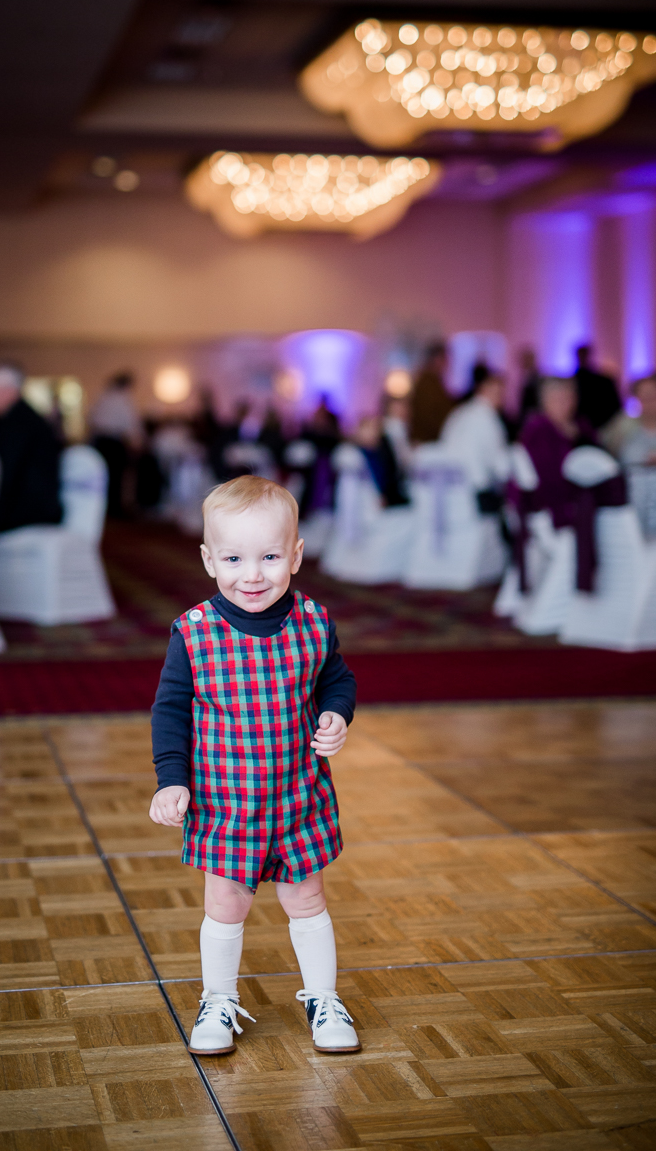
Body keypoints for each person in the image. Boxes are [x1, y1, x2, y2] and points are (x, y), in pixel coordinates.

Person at [148, 476, 359, 1058]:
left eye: (270, 557)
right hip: (226, 803)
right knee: (225, 904)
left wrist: (336, 714)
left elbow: (337, 678)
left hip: (298, 798)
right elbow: (170, 711)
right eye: (235, 558)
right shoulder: (194, 633)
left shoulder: (314, 622)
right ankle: (217, 999)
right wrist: (172, 780)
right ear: (209, 559)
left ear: (295, 554)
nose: (254, 574)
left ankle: (323, 996)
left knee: (307, 899)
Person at [0, 363, 62, 532]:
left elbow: (3, 477)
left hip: (28, 516)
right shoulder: (21, 419)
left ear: (8, 390)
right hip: (32, 510)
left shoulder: (19, 425)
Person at [519, 377, 598, 526]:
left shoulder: (581, 426)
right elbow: (548, 481)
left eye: (569, 398)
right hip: (552, 513)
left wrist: (579, 438)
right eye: (557, 399)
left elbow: (598, 459)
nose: (565, 404)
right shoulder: (538, 430)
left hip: (582, 505)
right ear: (544, 402)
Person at [439, 368, 511, 508]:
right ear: (483, 390)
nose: (501, 398)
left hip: (450, 489)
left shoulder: (459, 412)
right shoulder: (488, 416)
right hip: (477, 492)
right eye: (499, 393)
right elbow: (500, 464)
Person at [88, 372, 143, 518]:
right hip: (114, 442)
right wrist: (136, 442)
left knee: (103, 475)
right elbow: (130, 422)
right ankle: (114, 509)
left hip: (99, 441)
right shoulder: (123, 398)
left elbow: (91, 418)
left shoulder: (102, 396)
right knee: (115, 476)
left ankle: (103, 508)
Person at [354, 413, 409, 506]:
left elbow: (391, 474)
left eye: (374, 429)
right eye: (367, 428)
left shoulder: (384, 451)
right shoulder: (358, 455)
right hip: (370, 497)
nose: (372, 433)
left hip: (389, 493)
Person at [409, 342, 455, 443]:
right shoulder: (426, 383)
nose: (447, 364)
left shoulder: (435, 381)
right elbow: (428, 416)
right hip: (427, 440)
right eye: (445, 359)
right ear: (436, 359)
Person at [574, 344, 621, 430]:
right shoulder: (572, 383)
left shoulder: (604, 381)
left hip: (603, 427)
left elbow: (616, 406)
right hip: (583, 428)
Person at [515, 346, 541, 430]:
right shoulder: (524, 376)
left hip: (533, 415)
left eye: (527, 359)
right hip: (524, 416)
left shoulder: (536, 377)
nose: (524, 362)